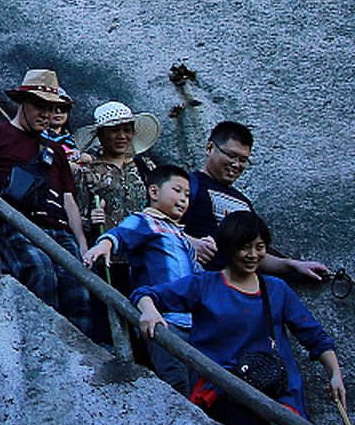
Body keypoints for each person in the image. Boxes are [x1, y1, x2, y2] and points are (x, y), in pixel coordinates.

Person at [136, 211, 348, 425]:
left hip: (274, 391)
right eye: (244, 247)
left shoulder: (276, 289)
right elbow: (146, 293)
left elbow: (314, 336)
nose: (253, 255)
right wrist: (149, 311)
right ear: (227, 248)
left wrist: (335, 375)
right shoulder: (205, 284)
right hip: (223, 390)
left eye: (260, 247)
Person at [0, 69, 100, 340]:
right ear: (22, 102)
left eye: (51, 108)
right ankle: (41, 349)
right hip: (18, 223)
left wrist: (81, 242)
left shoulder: (55, 150)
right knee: (39, 271)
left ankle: (79, 364)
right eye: (39, 106)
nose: (46, 114)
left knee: (78, 293)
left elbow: (69, 199)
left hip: (59, 231)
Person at [84, 163, 200, 391]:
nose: (184, 199)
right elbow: (121, 233)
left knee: (197, 384)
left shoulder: (180, 233)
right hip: (162, 316)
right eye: (177, 191)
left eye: (187, 194)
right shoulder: (147, 221)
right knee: (176, 380)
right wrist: (103, 245)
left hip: (192, 321)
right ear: (154, 192)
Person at [182, 121, 330, 281]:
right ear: (210, 148)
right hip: (202, 286)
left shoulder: (244, 202)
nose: (236, 164)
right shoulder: (186, 185)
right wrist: (188, 244)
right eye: (231, 156)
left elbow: (257, 256)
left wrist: (292, 265)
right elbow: (154, 224)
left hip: (243, 293)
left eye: (243, 160)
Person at [74, 101, 162, 234]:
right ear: (101, 135)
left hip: (146, 244)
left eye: (127, 130)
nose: (121, 136)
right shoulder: (87, 173)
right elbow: (80, 217)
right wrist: (93, 221)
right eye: (114, 131)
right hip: (109, 246)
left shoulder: (145, 165)